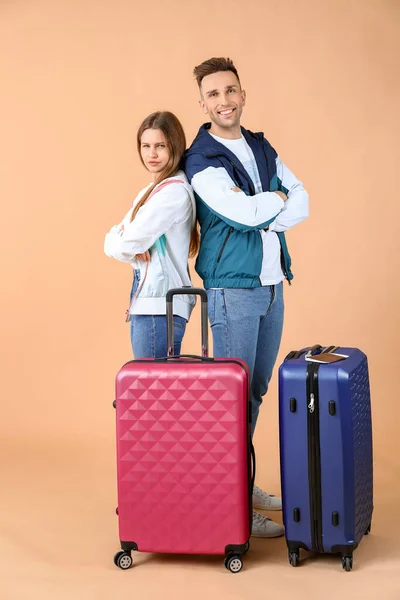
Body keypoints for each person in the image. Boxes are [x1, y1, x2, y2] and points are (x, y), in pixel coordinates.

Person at [184, 58, 309, 538]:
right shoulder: (201, 158)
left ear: (242, 93)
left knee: (254, 391)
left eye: (230, 90)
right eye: (214, 94)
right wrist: (273, 204)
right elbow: (239, 213)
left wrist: (269, 206)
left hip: (271, 284)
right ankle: (229, 498)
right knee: (229, 399)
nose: (224, 101)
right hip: (232, 289)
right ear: (203, 103)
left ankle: (243, 478)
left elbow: (302, 197)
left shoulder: (259, 144)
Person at [104, 111, 198, 358]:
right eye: (146, 146)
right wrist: (123, 240)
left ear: (174, 147)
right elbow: (113, 240)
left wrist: (127, 242)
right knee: (154, 393)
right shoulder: (151, 191)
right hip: (151, 305)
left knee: (153, 395)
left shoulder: (173, 193)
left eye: (160, 146)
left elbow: (126, 242)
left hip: (159, 308)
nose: (151, 154)